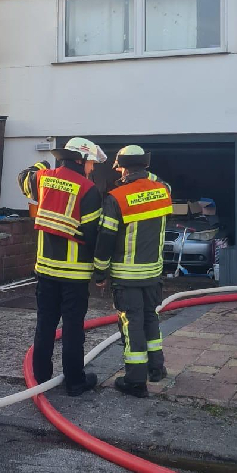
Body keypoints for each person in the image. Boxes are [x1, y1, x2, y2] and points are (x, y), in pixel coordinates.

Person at [18, 138, 106, 395]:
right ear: (79, 159)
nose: (92, 167)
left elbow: (23, 177)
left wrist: (40, 165)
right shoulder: (88, 189)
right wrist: (101, 270)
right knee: (72, 329)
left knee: (45, 325)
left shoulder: (43, 179)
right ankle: (75, 382)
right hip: (75, 274)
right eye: (90, 162)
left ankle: (40, 378)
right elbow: (92, 235)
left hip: (45, 270)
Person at [93, 145, 173, 398]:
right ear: (146, 166)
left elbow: (106, 237)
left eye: (119, 169)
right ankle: (156, 369)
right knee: (151, 318)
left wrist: (100, 272)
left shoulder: (116, 197)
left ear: (124, 168)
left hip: (127, 276)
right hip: (153, 273)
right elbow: (157, 181)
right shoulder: (163, 190)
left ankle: (135, 381)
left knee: (132, 324)